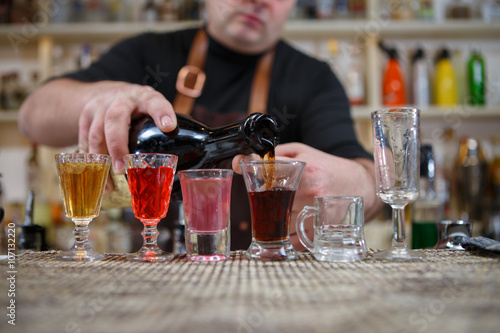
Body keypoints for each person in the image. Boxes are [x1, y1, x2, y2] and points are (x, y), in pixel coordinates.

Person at [18, 0, 382, 251]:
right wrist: (105, 96)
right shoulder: (150, 53)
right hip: (143, 282)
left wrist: (356, 186)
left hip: (264, 285)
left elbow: (368, 174)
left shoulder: (312, 79)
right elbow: (32, 115)